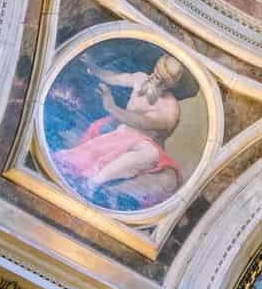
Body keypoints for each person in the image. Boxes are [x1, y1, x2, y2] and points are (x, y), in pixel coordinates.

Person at [51, 54, 190, 207]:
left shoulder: (170, 108)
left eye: (160, 80)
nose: (152, 80)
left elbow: (142, 122)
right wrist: (94, 69)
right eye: (154, 74)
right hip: (121, 134)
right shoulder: (141, 79)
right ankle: (92, 183)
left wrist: (113, 108)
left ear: (170, 85)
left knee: (152, 154)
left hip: (145, 152)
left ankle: (93, 183)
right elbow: (116, 78)